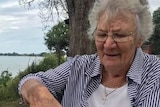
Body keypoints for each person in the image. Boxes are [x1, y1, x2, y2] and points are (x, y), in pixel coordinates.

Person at [18, 0, 160, 107]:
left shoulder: (156, 75)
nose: (108, 44)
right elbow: (30, 81)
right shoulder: (79, 66)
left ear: (139, 38)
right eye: (102, 34)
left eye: (120, 35)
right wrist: (40, 95)